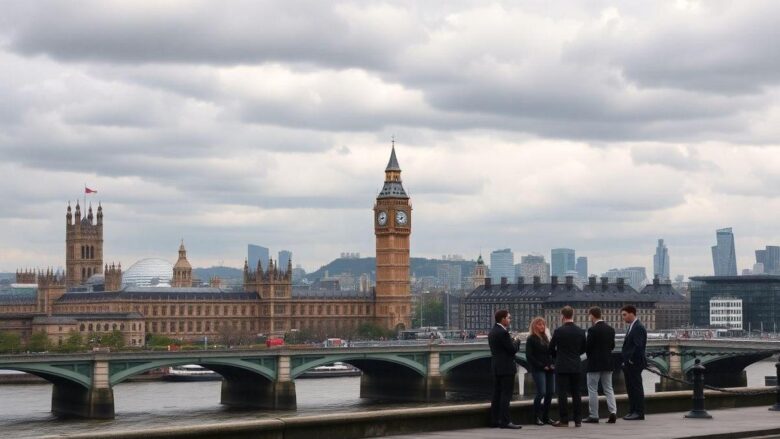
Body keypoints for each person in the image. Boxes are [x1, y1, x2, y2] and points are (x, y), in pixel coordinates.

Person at [549, 306, 586, 427]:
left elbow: (550, 348)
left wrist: (558, 356)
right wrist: (575, 355)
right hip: (576, 365)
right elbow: (584, 349)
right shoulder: (580, 331)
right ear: (573, 315)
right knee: (576, 393)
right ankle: (578, 420)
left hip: (562, 366)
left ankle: (564, 420)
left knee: (562, 393)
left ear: (562, 316)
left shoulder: (558, 331)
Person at [488, 309, 522, 429]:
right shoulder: (503, 333)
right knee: (506, 395)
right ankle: (505, 421)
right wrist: (517, 341)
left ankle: (494, 420)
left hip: (496, 367)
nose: (510, 320)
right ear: (502, 319)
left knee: (496, 394)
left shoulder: (492, 332)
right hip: (506, 368)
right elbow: (512, 350)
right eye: (508, 318)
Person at [583, 306, 617, 424]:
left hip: (594, 363)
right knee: (608, 388)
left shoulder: (592, 330)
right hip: (608, 362)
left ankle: (594, 415)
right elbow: (612, 346)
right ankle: (613, 412)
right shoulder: (610, 329)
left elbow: (588, 347)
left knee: (592, 389)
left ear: (592, 315)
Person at [525, 316, 558, 426]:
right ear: (534, 326)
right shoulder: (531, 339)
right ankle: (536, 417)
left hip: (550, 369)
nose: (542, 326)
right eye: (539, 324)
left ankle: (546, 417)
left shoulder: (546, 338)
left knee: (550, 392)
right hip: (539, 369)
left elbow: (551, 353)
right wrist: (542, 366)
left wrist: (552, 364)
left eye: (543, 324)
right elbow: (529, 356)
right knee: (541, 392)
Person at [620, 304, 647, 421]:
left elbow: (638, 346)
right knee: (630, 388)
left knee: (636, 388)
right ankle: (632, 410)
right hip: (629, 364)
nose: (623, 317)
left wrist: (631, 360)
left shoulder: (638, 327)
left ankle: (639, 412)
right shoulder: (633, 326)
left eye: (625, 315)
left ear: (632, 313)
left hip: (634, 363)